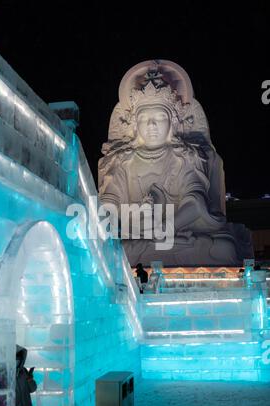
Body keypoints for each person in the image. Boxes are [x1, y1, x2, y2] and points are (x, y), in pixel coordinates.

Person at [98, 60, 253, 266]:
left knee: (224, 249)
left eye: (160, 118)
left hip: (176, 233)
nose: (152, 125)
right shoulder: (122, 161)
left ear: (172, 123)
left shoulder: (184, 157)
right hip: (137, 237)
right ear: (135, 126)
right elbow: (108, 205)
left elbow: (195, 204)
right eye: (145, 119)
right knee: (112, 250)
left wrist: (165, 227)